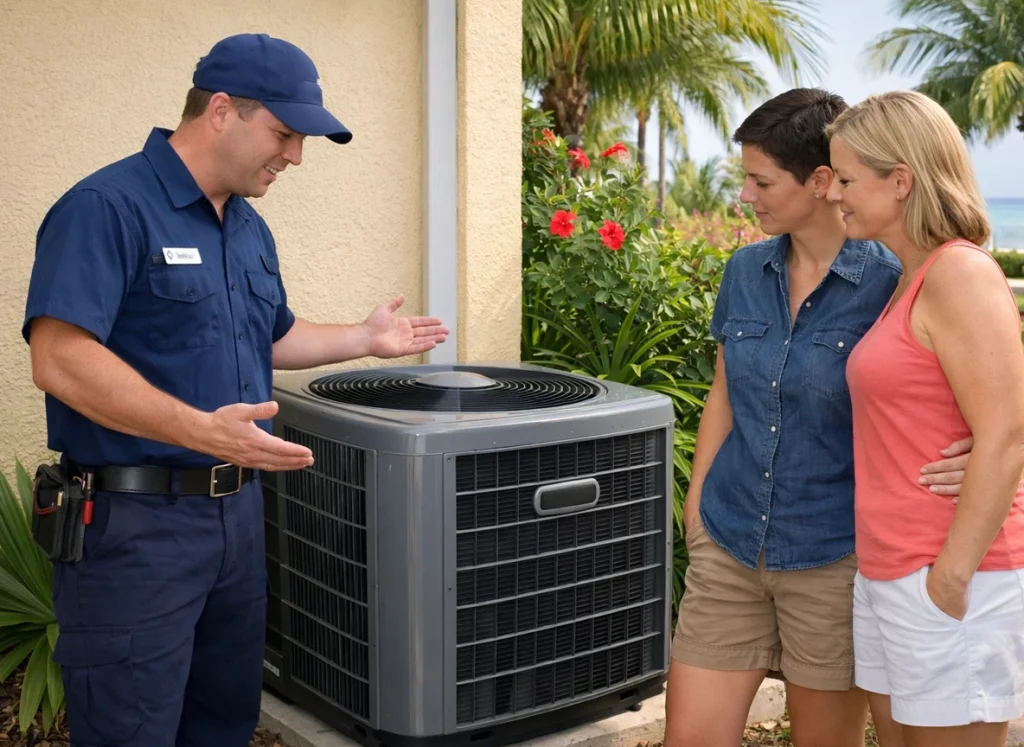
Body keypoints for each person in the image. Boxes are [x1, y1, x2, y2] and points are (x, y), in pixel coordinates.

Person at [22, 33, 449, 747]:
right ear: (221, 110)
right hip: (135, 531)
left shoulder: (247, 228)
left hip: (236, 528)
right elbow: (59, 358)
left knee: (222, 724)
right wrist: (199, 430)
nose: (294, 156)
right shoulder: (107, 207)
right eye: (284, 134)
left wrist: (364, 338)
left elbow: (269, 336)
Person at [662, 88, 972, 747]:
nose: (746, 195)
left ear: (822, 180)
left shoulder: (893, 278)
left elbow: (951, 390)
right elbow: (726, 389)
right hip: (731, 538)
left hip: (836, 557)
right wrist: (696, 508)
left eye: (761, 180)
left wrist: (977, 446)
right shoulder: (744, 271)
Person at [826, 90, 1024, 747]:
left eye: (848, 179)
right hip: (891, 573)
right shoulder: (908, 280)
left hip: (945, 574)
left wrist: (952, 574)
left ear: (901, 181)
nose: (836, 196)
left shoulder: (960, 274)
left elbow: (1006, 430)